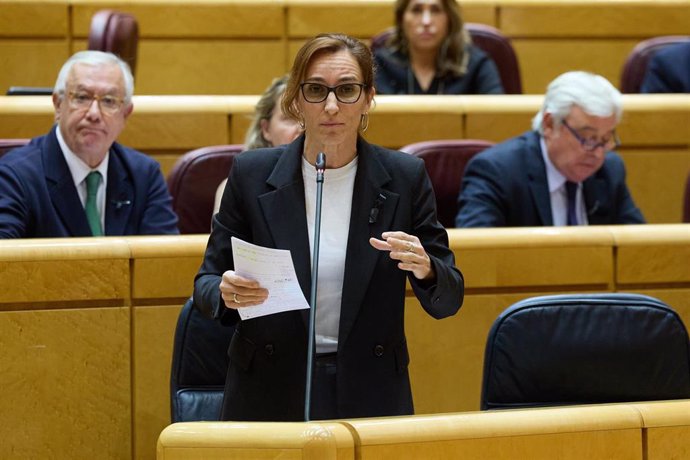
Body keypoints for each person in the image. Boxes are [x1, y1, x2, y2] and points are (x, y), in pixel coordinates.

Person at [194, 33, 463, 421]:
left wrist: (426, 267)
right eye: (317, 90)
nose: (332, 106)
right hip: (270, 387)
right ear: (296, 99)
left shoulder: (405, 178)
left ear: (368, 98)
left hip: (370, 387)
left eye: (348, 90)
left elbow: (450, 297)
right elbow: (205, 284)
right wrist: (224, 292)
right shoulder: (251, 175)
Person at [0, 51, 178, 238]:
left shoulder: (144, 175)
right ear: (58, 104)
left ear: (125, 114)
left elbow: (162, 263)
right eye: (82, 97)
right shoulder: (14, 177)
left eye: (109, 101)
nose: (94, 114)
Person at [455, 71, 645, 227]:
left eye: (605, 139)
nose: (598, 152)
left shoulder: (610, 170)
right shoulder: (497, 172)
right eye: (587, 138)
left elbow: (637, 249)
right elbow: (478, 257)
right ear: (549, 124)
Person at [213, 75, 302, 215]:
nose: (301, 128)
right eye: (290, 118)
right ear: (266, 129)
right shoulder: (237, 187)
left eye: (307, 118)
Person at [373, 0, 503, 94]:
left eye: (436, 10)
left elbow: (498, 117)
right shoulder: (380, 64)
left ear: (450, 19)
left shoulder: (477, 64)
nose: (426, 21)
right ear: (401, 19)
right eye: (416, 10)